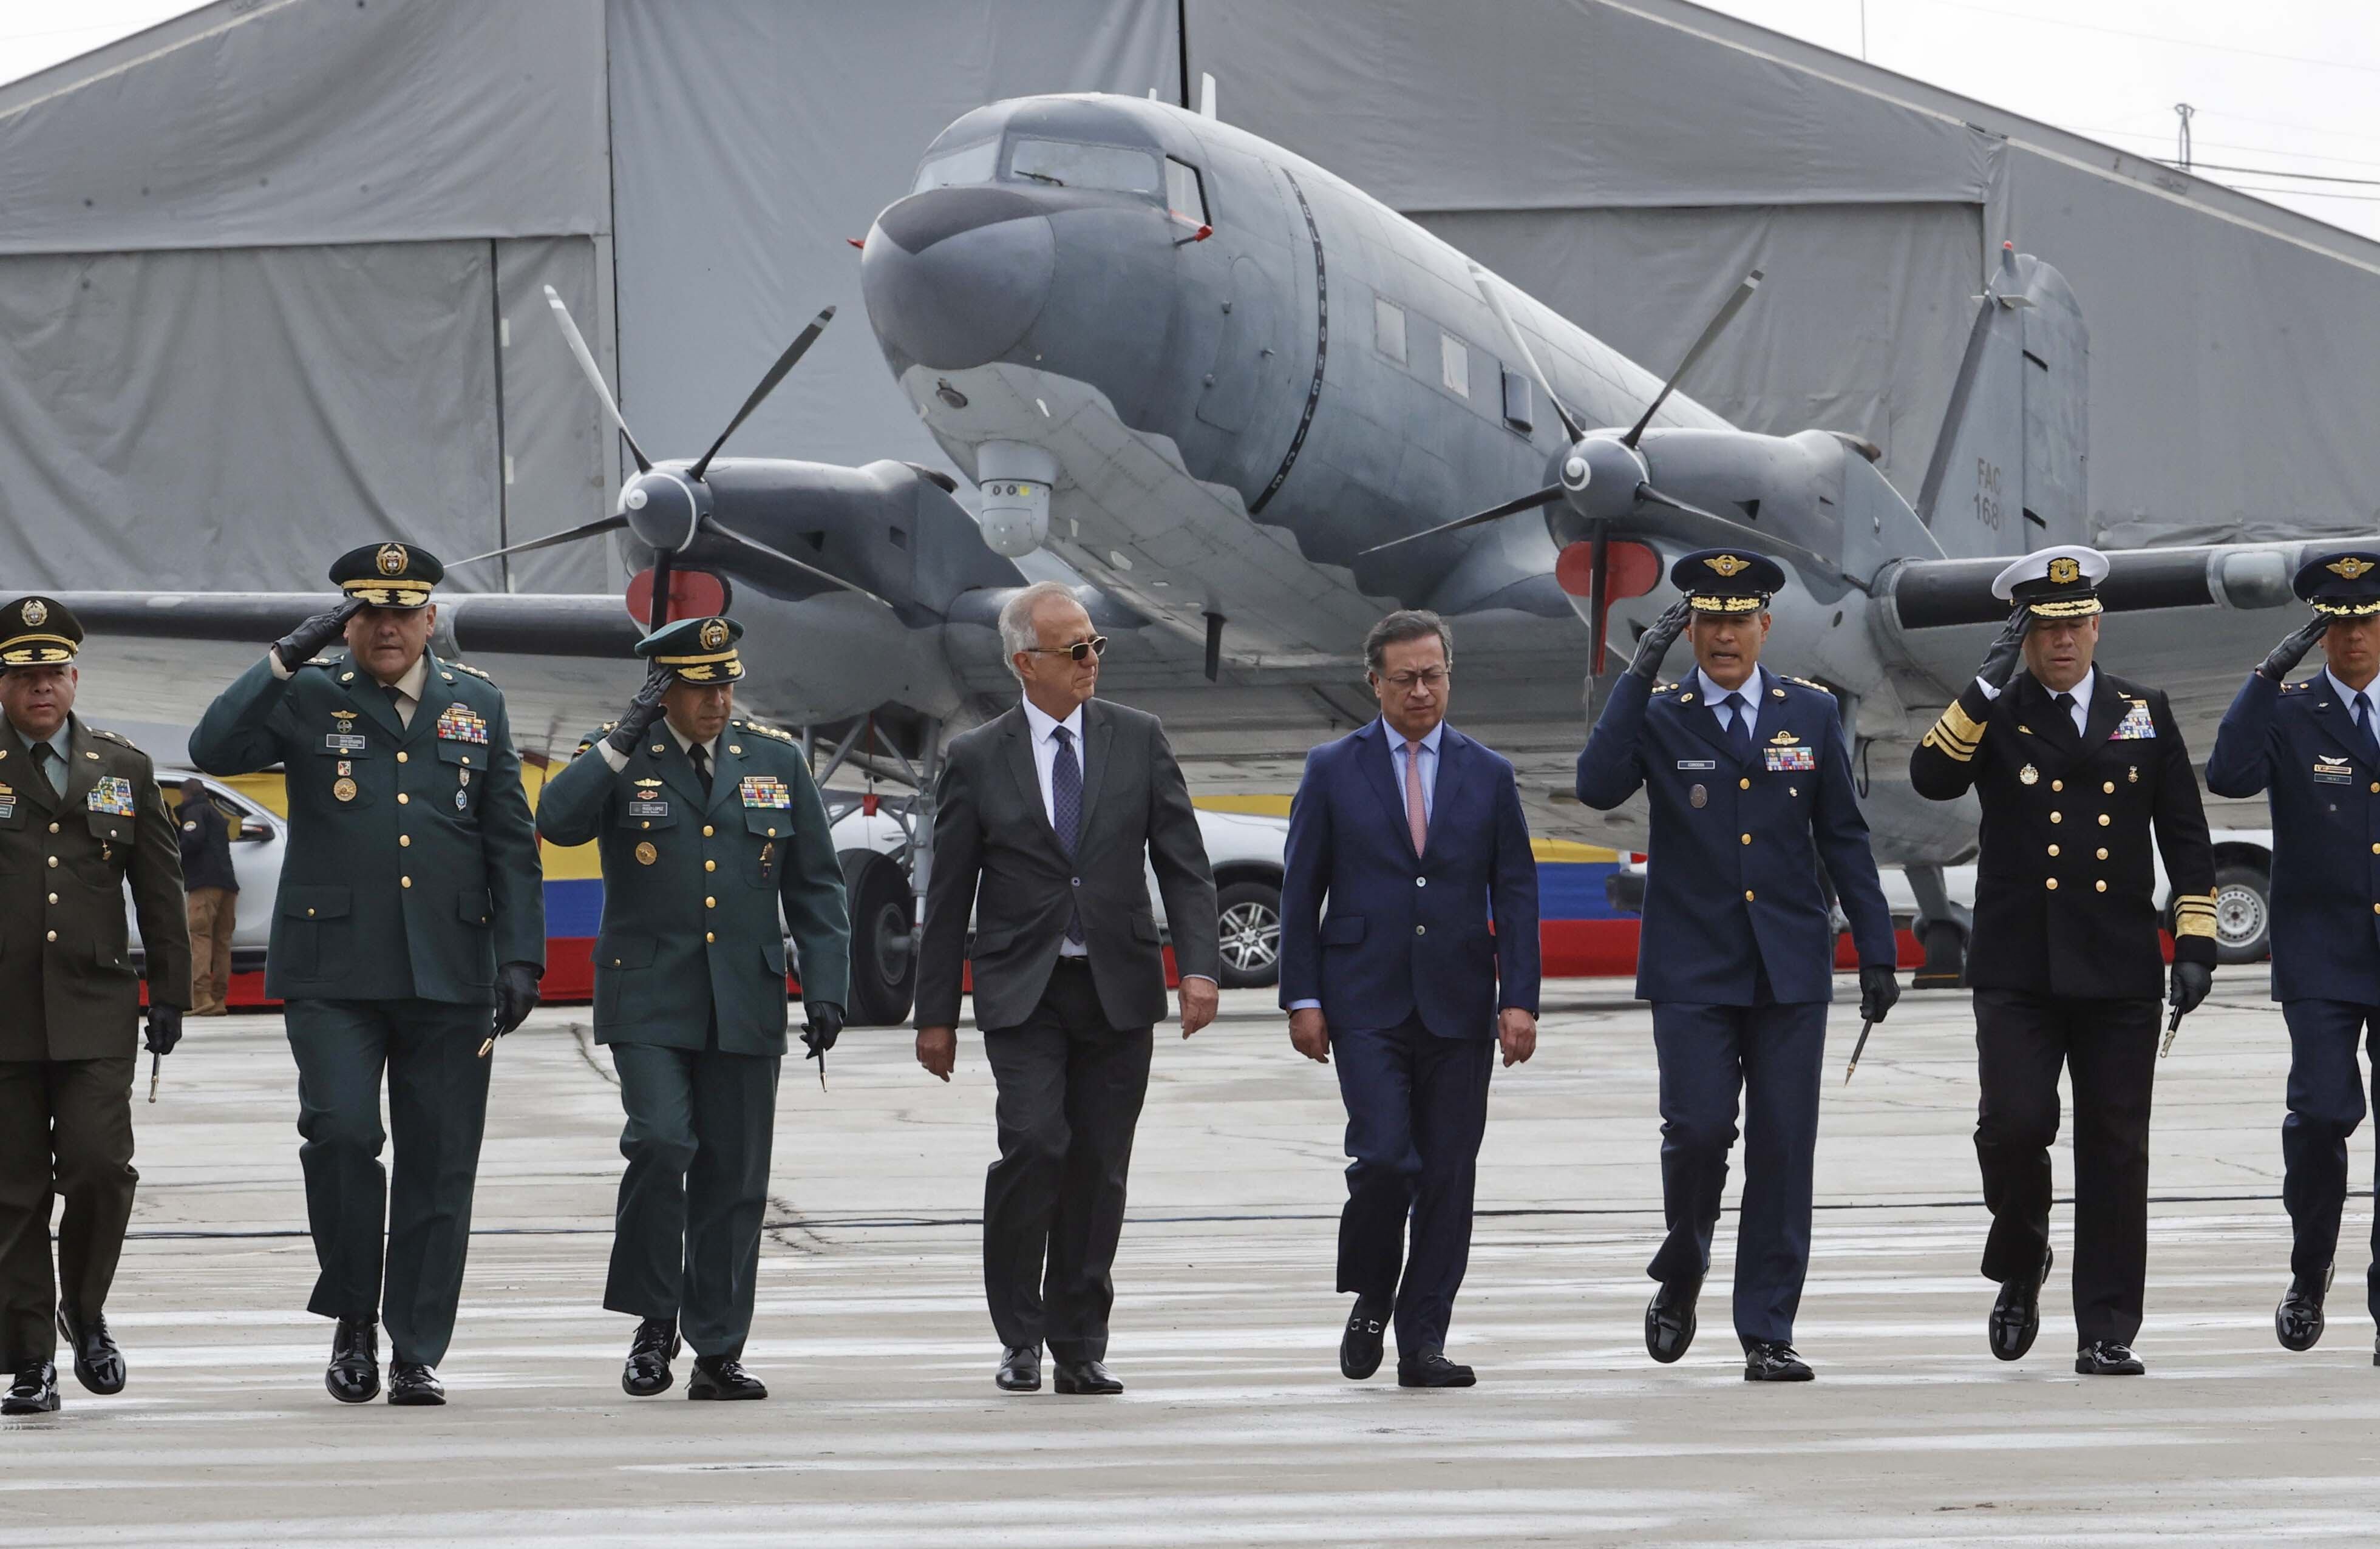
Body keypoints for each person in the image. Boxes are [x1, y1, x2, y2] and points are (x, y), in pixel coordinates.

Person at [188, 543, 545, 1406]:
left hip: (451, 970)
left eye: (403, 613)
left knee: (440, 1162)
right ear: (347, 623)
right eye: (368, 614)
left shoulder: (478, 706)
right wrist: (284, 656)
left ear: (431, 621)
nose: (387, 628)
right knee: (342, 1134)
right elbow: (212, 744)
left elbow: (510, 843)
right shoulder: (309, 695)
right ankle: (355, 1317)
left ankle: (416, 1347)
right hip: (333, 971)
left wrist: (521, 956)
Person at [1576, 551, 1898, 1383]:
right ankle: (1682, 1265)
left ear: (1764, 625)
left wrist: (1876, 947)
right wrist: (1638, 671)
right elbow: (1595, 782)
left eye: (1738, 619)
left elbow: (1845, 840)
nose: (1724, 635)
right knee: (1697, 1132)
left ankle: (1767, 1328)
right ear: (1691, 628)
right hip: (1692, 967)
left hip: (1790, 967)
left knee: (1785, 1151)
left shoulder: (1811, 715)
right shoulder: (1659, 714)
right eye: (1707, 620)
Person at [1909, 544, 2217, 1377]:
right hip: (2018, 968)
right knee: (2012, 1127)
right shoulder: (1997, 713)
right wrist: (1982, 680)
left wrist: (2195, 945)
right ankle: (2021, 1258)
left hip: (2118, 967)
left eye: (2076, 623)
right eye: (2045, 627)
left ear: (2097, 624)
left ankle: (2107, 1325)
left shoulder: (2142, 711)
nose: (2064, 641)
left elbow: (2186, 842)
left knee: (2116, 1147)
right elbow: (1932, 776)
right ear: (2026, 633)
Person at [914, 580, 1220, 1396]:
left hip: (1119, 987)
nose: (1092, 661)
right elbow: (948, 897)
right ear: (1026, 662)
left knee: (1098, 1165)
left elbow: (1183, 866)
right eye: (1075, 650)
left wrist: (1198, 966)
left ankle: (1079, 1339)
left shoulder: (1138, 738)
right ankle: (1019, 1335)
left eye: (1095, 646)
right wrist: (934, 1015)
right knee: (1036, 1147)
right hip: (1025, 991)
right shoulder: (977, 758)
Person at [536, 615, 851, 1400]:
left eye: (726, 683)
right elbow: (558, 822)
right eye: (699, 687)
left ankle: (717, 1349)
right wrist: (623, 737)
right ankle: (652, 1322)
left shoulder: (772, 757)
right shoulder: (620, 753)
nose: (718, 700)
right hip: (647, 994)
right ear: (662, 689)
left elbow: (815, 884)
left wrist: (827, 988)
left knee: (735, 1177)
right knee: (659, 1141)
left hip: (743, 996)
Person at [1279, 609, 1540, 1389]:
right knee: (1386, 1156)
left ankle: (1422, 1337)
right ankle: (1370, 1293)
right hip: (1363, 998)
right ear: (1375, 683)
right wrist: (1302, 995)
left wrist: (1519, 997)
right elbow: (1301, 890)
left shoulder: (1487, 773)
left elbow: (1516, 890)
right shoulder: (1332, 767)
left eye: (1433, 676)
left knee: (1449, 1173)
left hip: (1460, 999)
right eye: (1405, 678)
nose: (1421, 691)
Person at [0, 596, 188, 1415]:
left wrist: (173, 993)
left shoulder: (124, 766)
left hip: (96, 1005)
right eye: (25, 674)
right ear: (4, 684)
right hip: (2, 1013)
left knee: (99, 1169)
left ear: (75, 679)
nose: (42, 687)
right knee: (11, 1192)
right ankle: (30, 1358)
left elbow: (160, 886)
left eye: (54, 673)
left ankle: (85, 1307)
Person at [2205, 548, 2380, 1358]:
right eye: (2337, 627)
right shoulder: (2293, 708)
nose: (2354, 640)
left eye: (2368, 622)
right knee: (2318, 1119)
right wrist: (2268, 673)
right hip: (2321, 957)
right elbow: (2230, 768)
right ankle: (2310, 1271)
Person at [178, 776, 241, 1016]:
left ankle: (200, 996)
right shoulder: (215, 814)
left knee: (200, 937)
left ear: (185, 794)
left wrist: (173, 852)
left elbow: (192, 840)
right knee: (222, 942)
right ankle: (218, 999)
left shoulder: (194, 811)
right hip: (227, 884)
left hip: (204, 884)